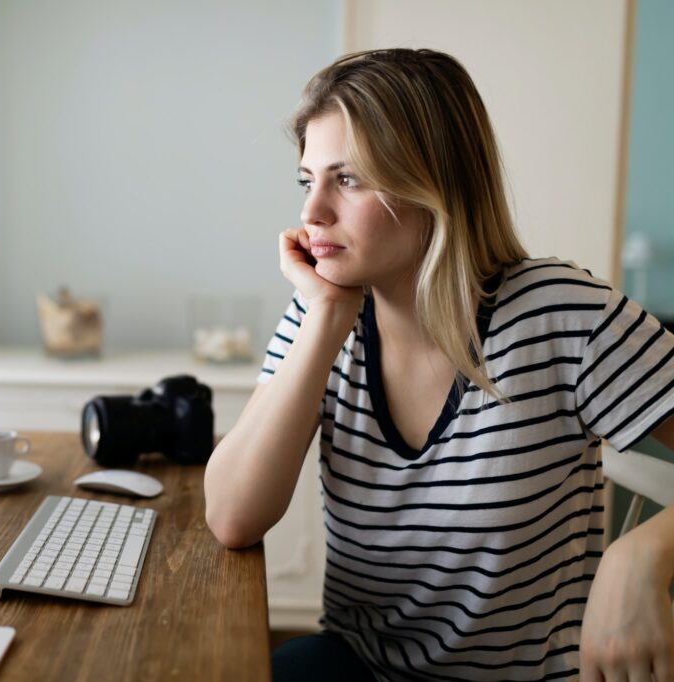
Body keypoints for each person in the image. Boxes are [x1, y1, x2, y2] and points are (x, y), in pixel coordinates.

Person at [203, 48, 674, 682]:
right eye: (306, 180)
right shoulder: (321, 314)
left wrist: (642, 552)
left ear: (435, 184)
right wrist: (324, 319)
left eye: (347, 179)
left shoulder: (563, 316)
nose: (312, 211)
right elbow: (233, 516)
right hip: (359, 667)